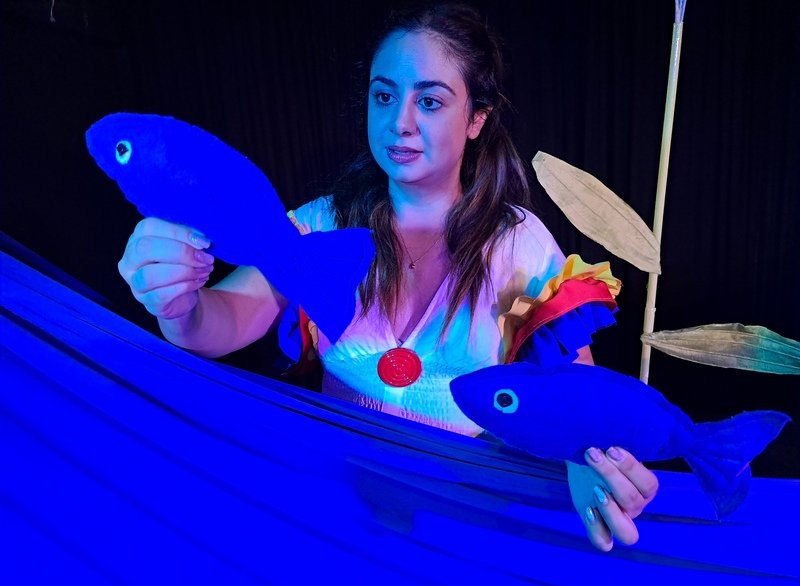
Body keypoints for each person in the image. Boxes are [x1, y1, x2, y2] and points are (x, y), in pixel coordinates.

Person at [117, 2, 658, 552]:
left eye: (430, 101)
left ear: (477, 118)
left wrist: (590, 460)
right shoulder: (321, 225)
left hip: (462, 523)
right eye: (384, 96)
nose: (400, 122)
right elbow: (224, 321)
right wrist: (178, 306)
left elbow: (574, 396)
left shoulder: (519, 245)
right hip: (337, 514)